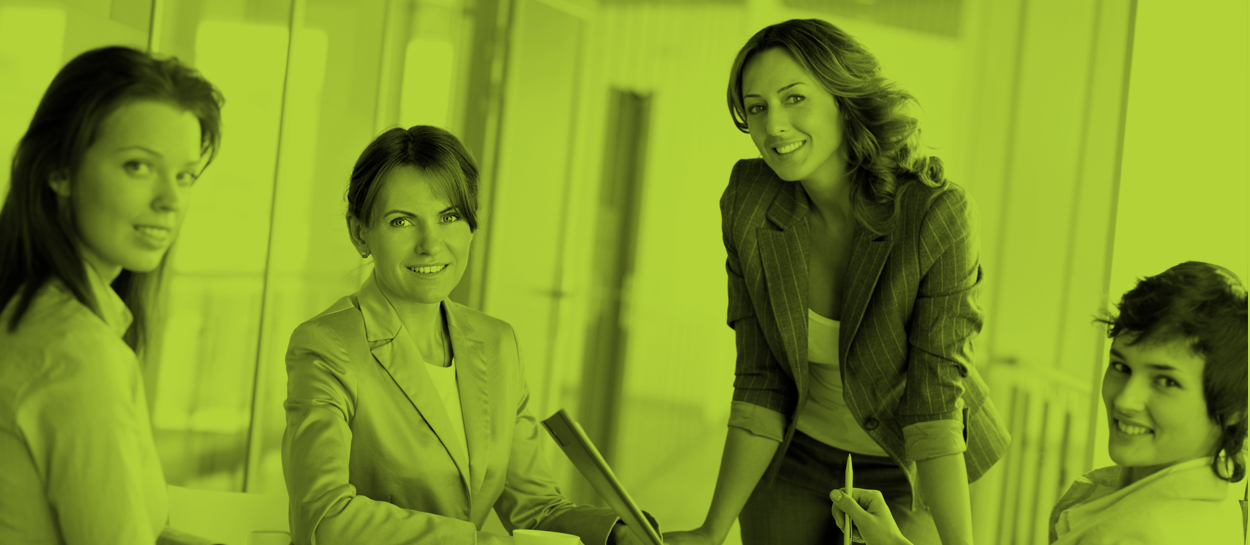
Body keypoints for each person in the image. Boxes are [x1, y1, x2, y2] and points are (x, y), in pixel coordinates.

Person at [663, 18, 1010, 545]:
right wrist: (711, 530)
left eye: (794, 98)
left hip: (910, 459)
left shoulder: (935, 214)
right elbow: (760, 376)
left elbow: (935, 401)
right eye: (756, 108)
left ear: (844, 99)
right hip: (798, 448)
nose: (774, 125)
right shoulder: (750, 200)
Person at [281, 125, 658, 545]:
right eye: (402, 221)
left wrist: (615, 534)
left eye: (449, 217)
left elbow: (536, 510)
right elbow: (325, 517)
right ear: (360, 233)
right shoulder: (327, 346)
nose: (431, 244)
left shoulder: (497, 344)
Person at [832, 261, 1248, 544]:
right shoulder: (1207, 502)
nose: (1126, 399)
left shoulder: (1133, 534)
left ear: (1232, 408)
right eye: (1121, 367)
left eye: (1166, 381)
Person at [0, 46, 224, 543]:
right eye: (138, 166)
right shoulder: (75, 355)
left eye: (185, 176)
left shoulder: (35, 314)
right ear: (59, 170)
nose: (170, 200)